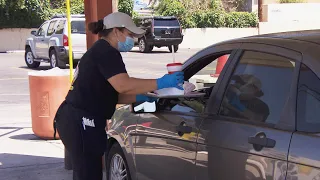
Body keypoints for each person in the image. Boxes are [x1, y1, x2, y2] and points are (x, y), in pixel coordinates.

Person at [53, 12, 184, 180]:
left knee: (88, 172)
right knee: (88, 173)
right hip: (81, 121)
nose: (132, 40)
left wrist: (140, 97)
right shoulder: (105, 52)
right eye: (129, 34)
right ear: (116, 31)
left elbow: (113, 94)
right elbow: (123, 84)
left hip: (76, 119)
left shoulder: (102, 50)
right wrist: (161, 83)